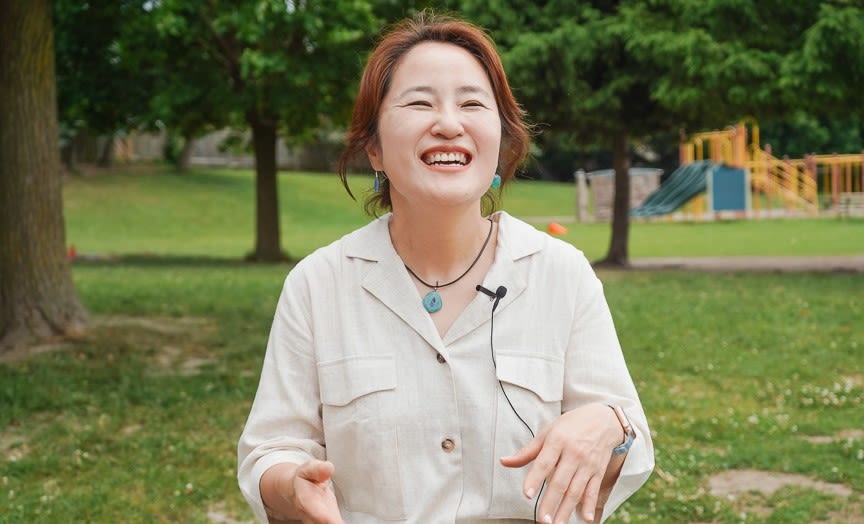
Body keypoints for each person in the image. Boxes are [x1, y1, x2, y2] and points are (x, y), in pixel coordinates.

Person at [238, 11, 654, 524]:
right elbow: (269, 450)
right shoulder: (318, 283)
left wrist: (610, 425)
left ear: (500, 140)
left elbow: (628, 446)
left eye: (472, 103)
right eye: (419, 102)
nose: (450, 124)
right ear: (374, 148)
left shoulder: (561, 274)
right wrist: (289, 483)